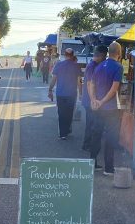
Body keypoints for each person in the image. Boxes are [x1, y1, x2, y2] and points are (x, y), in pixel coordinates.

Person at [89, 41, 124, 175]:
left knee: (96, 134)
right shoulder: (118, 67)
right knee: (110, 137)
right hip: (110, 108)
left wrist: (94, 100)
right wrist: (103, 101)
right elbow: (114, 89)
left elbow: (92, 84)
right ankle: (108, 168)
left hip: (97, 107)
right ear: (119, 53)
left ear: (109, 52)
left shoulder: (99, 66)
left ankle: (92, 164)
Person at [48, 47, 81, 140]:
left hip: (60, 94)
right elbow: (79, 82)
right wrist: (81, 93)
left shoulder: (59, 65)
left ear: (64, 55)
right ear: (73, 55)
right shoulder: (76, 66)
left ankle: (63, 133)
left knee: (61, 113)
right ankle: (66, 130)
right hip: (72, 94)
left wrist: (50, 90)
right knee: (69, 113)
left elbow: (54, 79)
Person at [81, 45, 107, 152]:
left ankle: (87, 144)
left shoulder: (93, 65)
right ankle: (87, 145)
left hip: (90, 100)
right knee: (91, 124)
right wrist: (93, 100)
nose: (105, 58)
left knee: (91, 123)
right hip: (90, 100)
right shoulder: (92, 66)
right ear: (102, 55)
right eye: (105, 56)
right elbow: (88, 84)